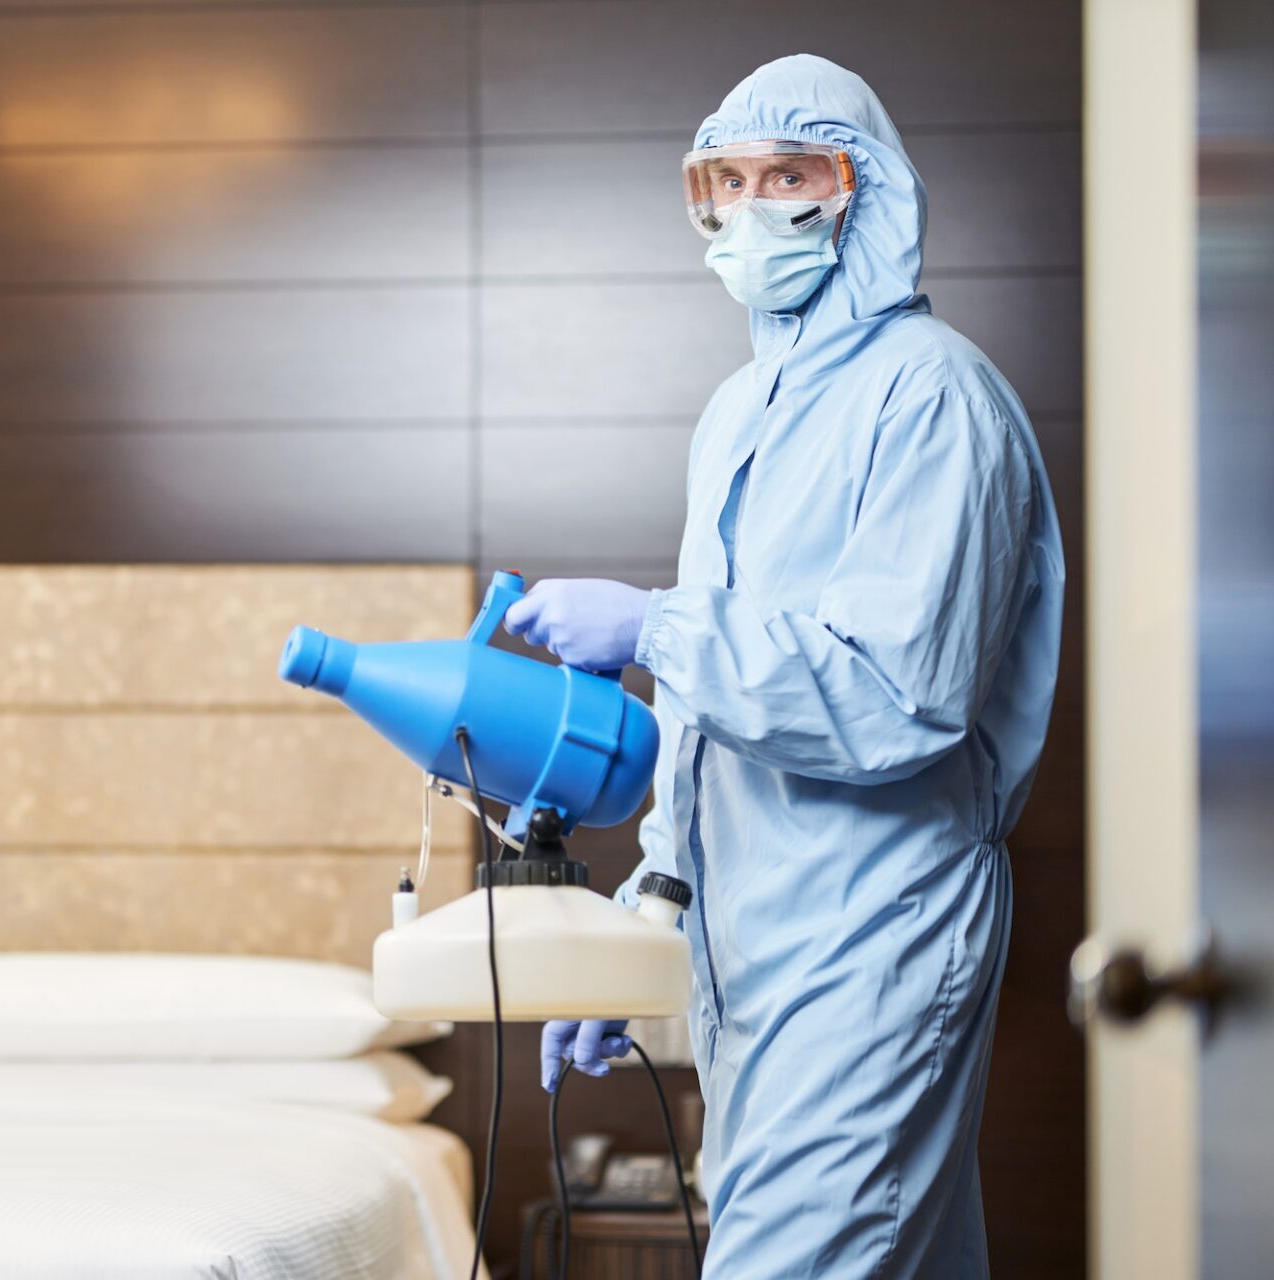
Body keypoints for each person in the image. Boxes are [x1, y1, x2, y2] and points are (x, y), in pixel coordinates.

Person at [505, 55, 1064, 1278]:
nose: (757, 207)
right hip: (754, 943)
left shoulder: (935, 399)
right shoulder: (742, 410)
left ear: (866, 195)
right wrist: (653, 915)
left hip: (877, 926)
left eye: (792, 176)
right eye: (730, 180)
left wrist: (654, 627)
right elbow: (717, 727)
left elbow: (897, 699)